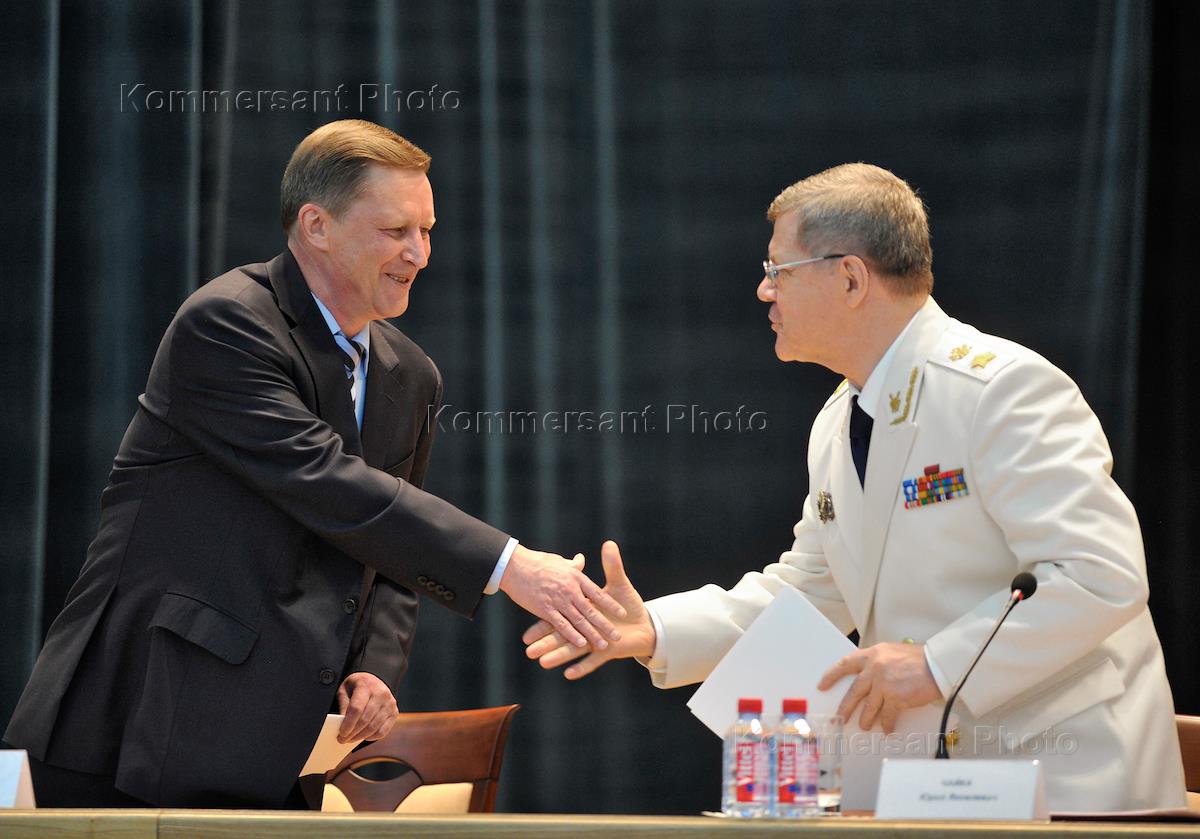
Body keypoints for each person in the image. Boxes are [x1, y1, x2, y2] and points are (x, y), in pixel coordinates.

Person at [524, 163, 1187, 811]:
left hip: (1076, 782)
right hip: (947, 785)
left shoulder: (1002, 390)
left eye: (777, 270)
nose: (763, 291)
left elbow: (1099, 574)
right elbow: (812, 589)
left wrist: (935, 664)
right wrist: (654, 628)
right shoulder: (840, 420)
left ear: (849, 277)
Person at [2, 119, 624, 808]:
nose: (419, 253)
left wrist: (376, 667)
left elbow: (390, 548)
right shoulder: (227, 324)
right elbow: (329, 484)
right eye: (396, 231)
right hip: (138, 716)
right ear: (316, 225)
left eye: (427, 231)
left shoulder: (411, 374)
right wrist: (510, 565)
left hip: (280, 741)